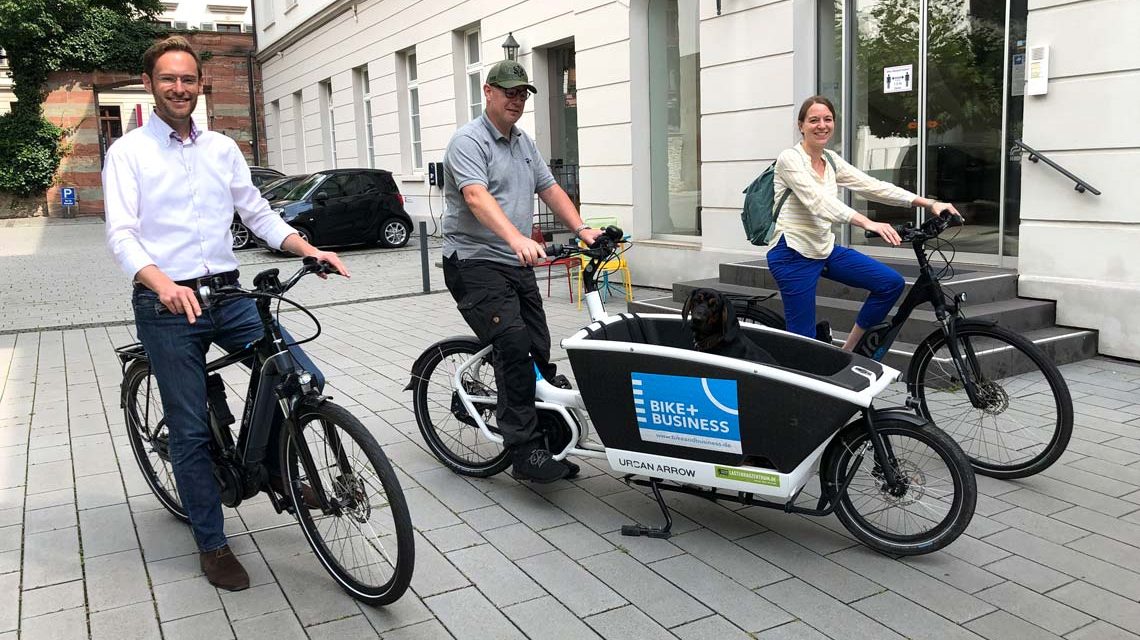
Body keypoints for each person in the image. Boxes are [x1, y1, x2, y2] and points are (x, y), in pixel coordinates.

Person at [102, 36, 350, 591]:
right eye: (169, 78)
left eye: (188, 79)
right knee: (189, 430)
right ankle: (212, 544)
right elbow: (121, 234)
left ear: (199, 85)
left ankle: (284, 470)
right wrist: (160, 282)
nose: (179, 88)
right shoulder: (129, 153)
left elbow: (258, 214)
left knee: (299, 374)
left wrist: (305, 247)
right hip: (167, 303)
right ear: (150, 84)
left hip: (229, 293)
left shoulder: (221, 149)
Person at [441, 60, 604, 484]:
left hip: (514, 262)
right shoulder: (468, 142)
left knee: (538, 344)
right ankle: (523, 450)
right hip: (473, 262)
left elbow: (549, 188)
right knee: (512, 342)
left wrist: (583, 229)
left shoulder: (522, 142)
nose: (516, 100)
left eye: (522, 94)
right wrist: (516, 238)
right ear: (489, 92)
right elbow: (476, 197)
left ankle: (549, 434)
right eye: (509, 91)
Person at [767, 95, 960, 350]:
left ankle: (848, 353)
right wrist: (868, 223)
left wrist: (928, 203)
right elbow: (819, 202)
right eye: (814, 120)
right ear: (801, 125)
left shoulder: (831, 160)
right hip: (793, 253)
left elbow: (874, 187)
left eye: (828, 119)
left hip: (823, 248)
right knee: (804, 345)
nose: (822, 125)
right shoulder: (789, 159)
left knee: (889, 283)